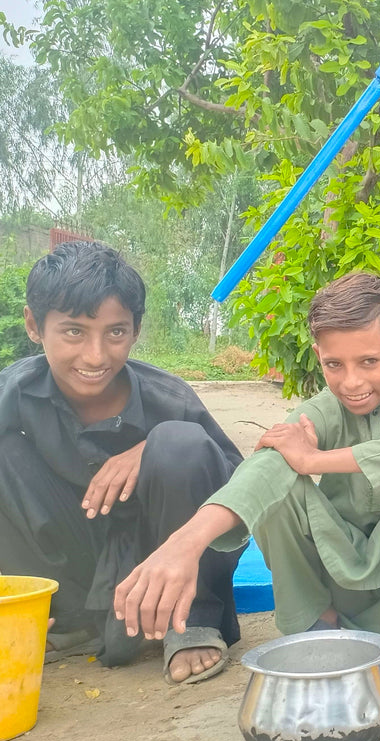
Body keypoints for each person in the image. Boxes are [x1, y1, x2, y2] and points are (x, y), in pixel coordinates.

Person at [115, 272, 380, 692]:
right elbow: (265, 469)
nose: (351, 382)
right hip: (341, 574)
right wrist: (186, 541)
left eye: (369, 361)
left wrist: (315, 459)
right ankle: (317, 624)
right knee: (277, 476)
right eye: (334, 364)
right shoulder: (320, 411)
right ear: (318, 355)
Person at [0, 241, 243, 684]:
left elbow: (243, 494)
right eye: (74, 332)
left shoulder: (169, 399)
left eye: (115, 332)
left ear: (135, 330)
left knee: (182, 443)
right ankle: (59, 618)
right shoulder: (13, 393)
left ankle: (189, 622)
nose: (95, 356)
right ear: (34, 325)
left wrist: (151, 447)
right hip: (73, 560)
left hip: (159, 554)